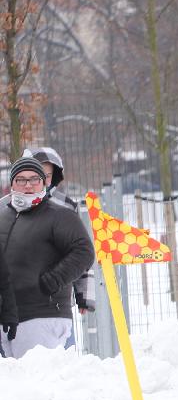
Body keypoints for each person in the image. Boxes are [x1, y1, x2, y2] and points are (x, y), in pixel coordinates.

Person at [0, 156, 95, 358]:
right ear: (12, 184)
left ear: (45, 182)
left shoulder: (59, 215)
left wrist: (52, 281)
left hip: (42, 316)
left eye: (34, 179)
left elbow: (84, 251)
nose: (28, 185)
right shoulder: (2, 215)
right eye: (21, 180)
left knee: (39, 384)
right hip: (6, 319)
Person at [24, 147, 97, 349]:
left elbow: (80, 253)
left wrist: (83, 295)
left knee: (60, 360)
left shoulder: (65, 206)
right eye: (39, 173)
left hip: (58, 298)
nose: (44, 180)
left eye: (48, 175)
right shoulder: (12, 207)